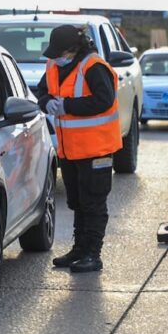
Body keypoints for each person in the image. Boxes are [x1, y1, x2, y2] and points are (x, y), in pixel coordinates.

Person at [36, 25, 121, 273]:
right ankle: (79, 250)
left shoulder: (94, 67)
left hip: (97, 149)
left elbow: (104, 100)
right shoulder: (54, 65)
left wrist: (68, 106)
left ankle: (92, 255)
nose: (55, 58)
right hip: (70, 149)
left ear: (73, 49)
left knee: (93, 203)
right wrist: (47, 102)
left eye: (59, 53)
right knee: (77, 202)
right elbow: (42, 90)